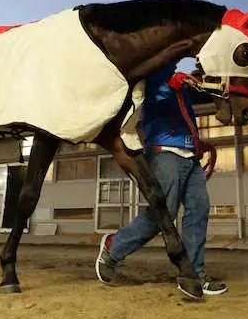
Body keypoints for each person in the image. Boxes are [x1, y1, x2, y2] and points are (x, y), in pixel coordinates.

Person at [95, 59, 228, 296]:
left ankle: (194, 273)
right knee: (161, 215)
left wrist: (197, 142)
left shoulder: (179, 80)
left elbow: (183, 118)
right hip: (164, 153)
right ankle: (112, 248)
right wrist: (173, 84)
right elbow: (153, 101)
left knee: (199, 210)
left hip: (189, 155)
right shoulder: (149, 78)